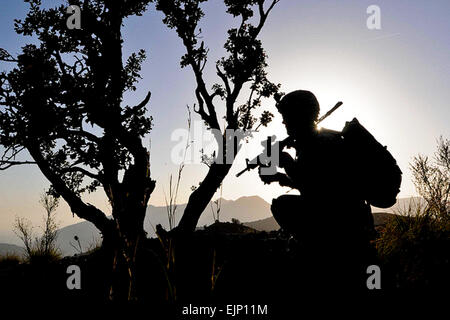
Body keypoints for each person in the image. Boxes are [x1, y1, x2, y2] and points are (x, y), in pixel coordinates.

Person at [259, 90, 377, 291]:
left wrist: (286, 163)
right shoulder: (316, 142)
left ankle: (317, 252)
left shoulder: (322, 143)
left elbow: (322, 190)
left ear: (299, 115)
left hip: (342, 222)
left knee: (282, 205)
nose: (284, 123)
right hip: (345, 217)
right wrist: (282, 178)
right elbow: (314, 185)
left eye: (286, 117)